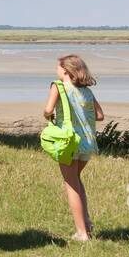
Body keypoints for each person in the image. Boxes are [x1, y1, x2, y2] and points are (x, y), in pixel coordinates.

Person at [43, 54, 103, 241]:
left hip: (69, 142)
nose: (57, 71)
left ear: (66, 70)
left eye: (58, 67)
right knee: (76, 180)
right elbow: (100, 115)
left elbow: (48, 110)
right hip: (87, 142)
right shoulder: (87, 92)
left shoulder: (58, 86)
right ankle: (86, 221)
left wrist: (50, 116)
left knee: (71, 184)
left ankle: (81, 232)